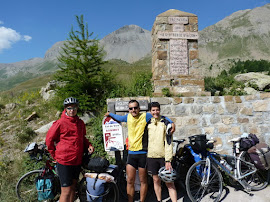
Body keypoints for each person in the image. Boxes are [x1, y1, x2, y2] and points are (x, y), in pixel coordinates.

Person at [104, 100, 175, 202]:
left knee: (143, 181)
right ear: (129, 110)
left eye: (135, 108)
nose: (133, 110)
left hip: (142, 153)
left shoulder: (145, 116)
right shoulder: (127, 117)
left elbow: (161, 117)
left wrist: (171, 123)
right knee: (130, 181)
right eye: (131, 108)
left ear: (139, 108)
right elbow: (118, 117)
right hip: (131, 154)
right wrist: (110, 114)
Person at [46, 97, 94, 202]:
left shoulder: (80, 123)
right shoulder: (60, 123)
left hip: (76, 160)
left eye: (74, 108)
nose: (72, 110)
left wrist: (89, 145)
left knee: (73, 189)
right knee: (66, 191)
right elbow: (49, 140)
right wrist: (54, 155)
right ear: (65, 109)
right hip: (64, 161)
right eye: (69, 108)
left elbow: (82, 138)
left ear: (77, 109)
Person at [146, 102, 177, 202]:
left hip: (163, 157)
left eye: (157, 110)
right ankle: (159, 200)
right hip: (151, 156)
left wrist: (168, 160)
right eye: (153, 110)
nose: (156, 112)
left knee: (169, 181)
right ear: (150, 111)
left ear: (160, 110)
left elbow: (168, 142)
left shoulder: (165, 123)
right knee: (156, 180)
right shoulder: (147, 123)